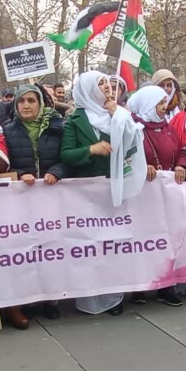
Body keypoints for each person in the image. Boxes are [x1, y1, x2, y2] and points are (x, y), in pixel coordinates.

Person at [61, 71, 127, 316]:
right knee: (90, 247)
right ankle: (91, 297)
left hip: (114, 190)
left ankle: (114, 296)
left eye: (109, 83)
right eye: (101, 83)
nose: (107, 87)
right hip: (86, 193)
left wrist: (118, 118)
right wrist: (91, 149)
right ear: (88, 89)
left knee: (114, 244)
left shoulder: (118, 114)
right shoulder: (75, 120)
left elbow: (133, 145)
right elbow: (66, 154)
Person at [2, 84, 68, 320]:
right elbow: (4, 163)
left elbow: (66, 157)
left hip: (51, 198)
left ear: (40, 103)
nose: (26, 105)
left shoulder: (57, 127)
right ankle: (25, 298)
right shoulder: (7, 131)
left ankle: (50, 299)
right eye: (22, 101)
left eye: (31, 101)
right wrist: (20, 174)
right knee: (24, 249)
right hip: (22, 200)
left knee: (50, 248)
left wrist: (56, 171)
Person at [126, 85, 186, 307]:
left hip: (167, 192)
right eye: (159, 104)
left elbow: (181, 150)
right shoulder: (134, 129)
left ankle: (165, 285)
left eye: (164, 103)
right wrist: (143, 167)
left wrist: (180, 165)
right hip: (144, 195)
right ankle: (140, 287)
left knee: (166, 237)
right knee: (144, 239)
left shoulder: (168, 128)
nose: (164, 108)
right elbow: (127, 156)